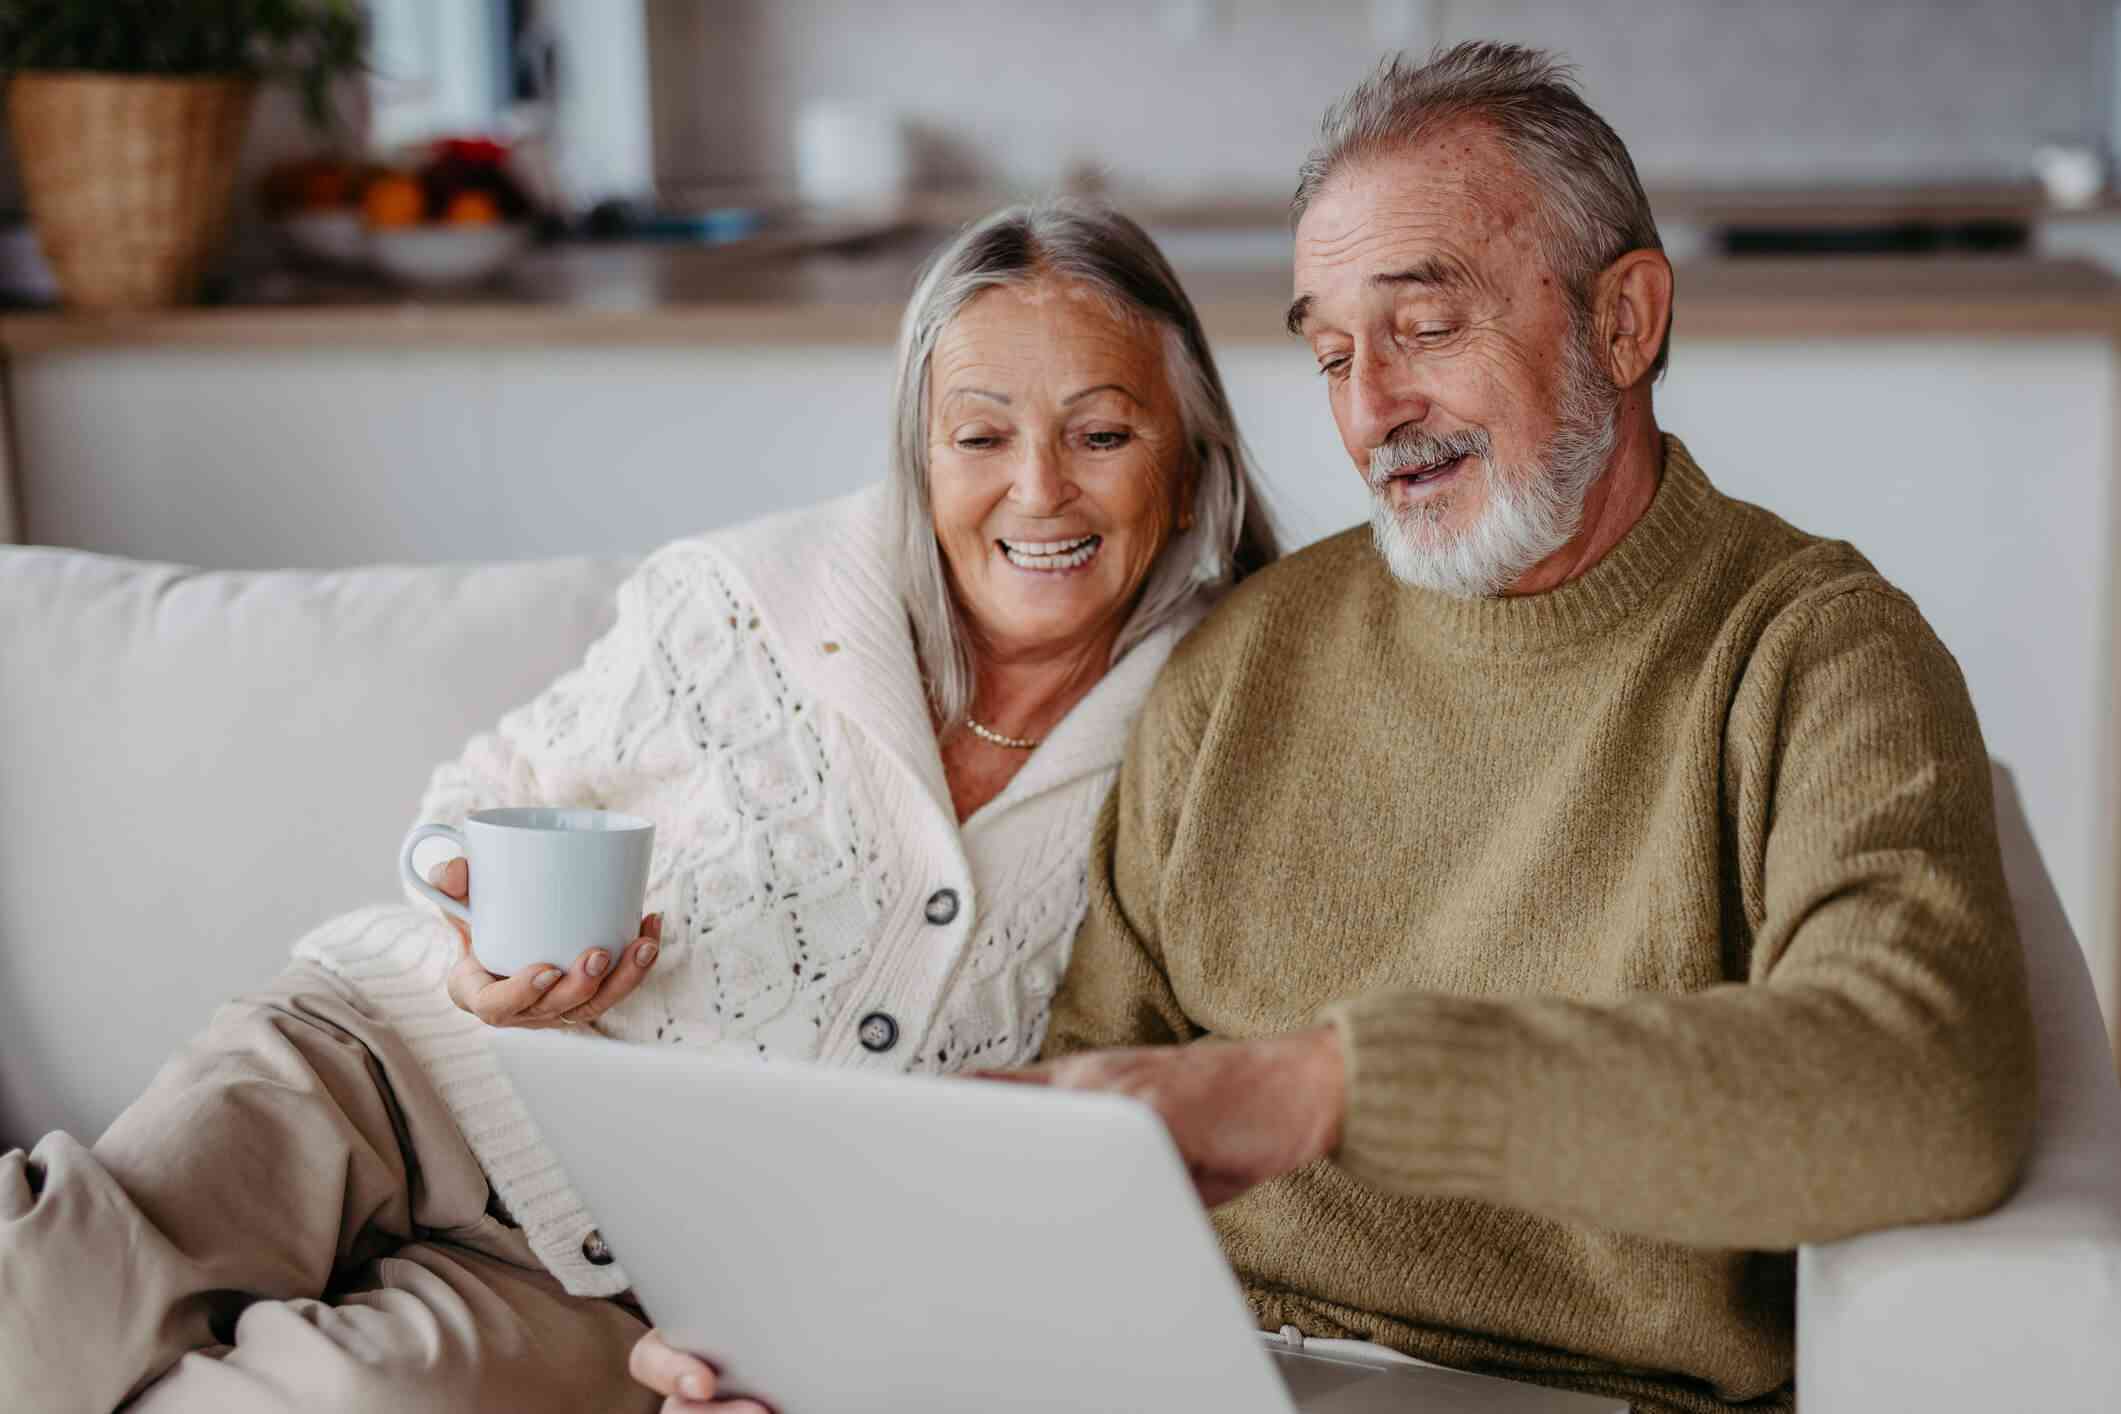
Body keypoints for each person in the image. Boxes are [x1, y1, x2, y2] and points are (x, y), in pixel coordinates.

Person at [638, 42, 2043, 1414]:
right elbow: (1062, 1175)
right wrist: (828, 1352)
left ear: (1625, 320)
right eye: (1328, 354)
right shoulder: (1242, 660)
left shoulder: (1811, 651)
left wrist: (1331, 1085)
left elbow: (1926, 1089)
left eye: (1425, 328)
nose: (1371, 411)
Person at [0, 200, 1278, 1414]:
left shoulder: (1212, 736)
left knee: (348, 1401)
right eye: (981, 435)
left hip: (633, 1290)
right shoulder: (755, 595)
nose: (1039, 489)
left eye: (1103, 434)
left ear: (1187, 454)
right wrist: (476, 936)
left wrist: (802, 1329)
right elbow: (476, 803)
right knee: (39, 1312)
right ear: (920, 452)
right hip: (390, 1062)